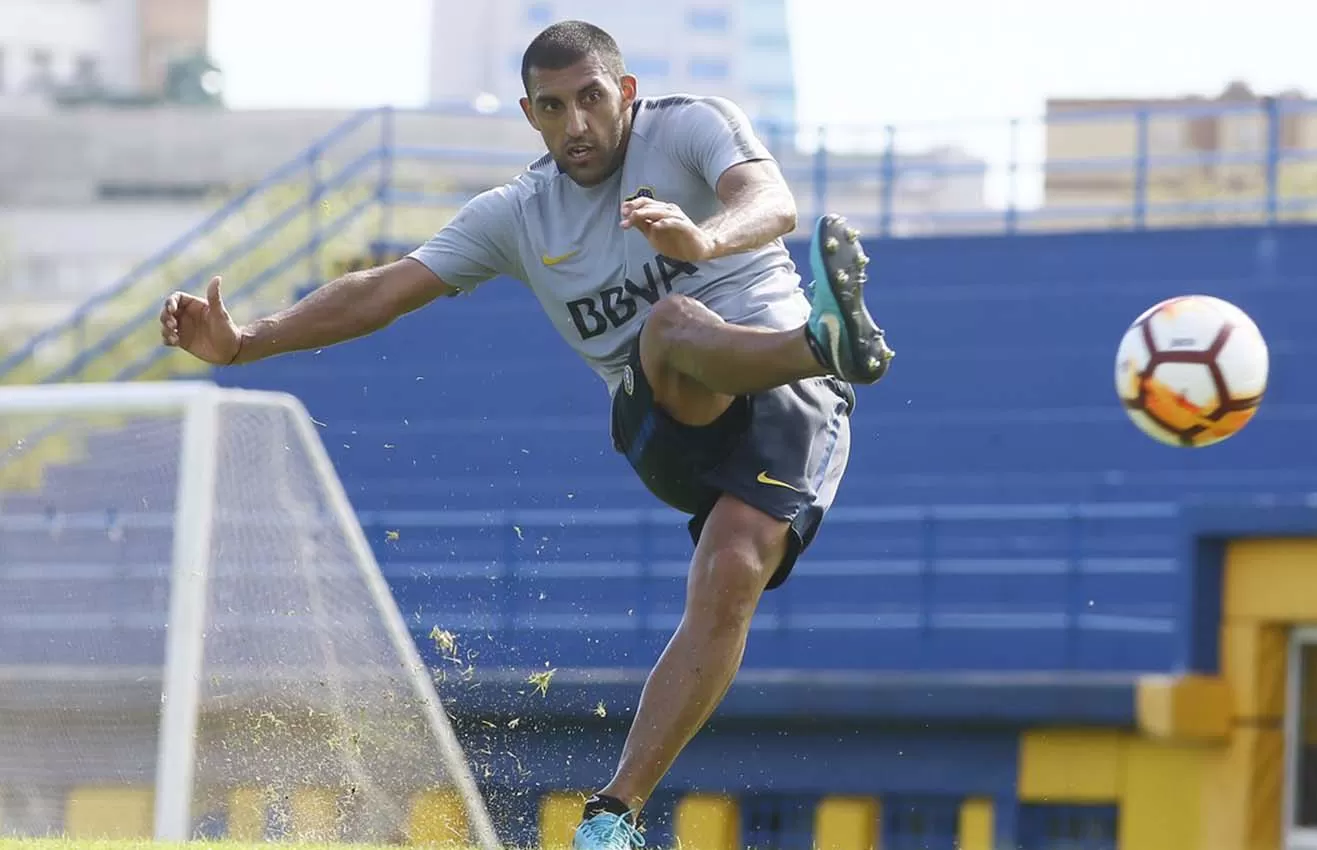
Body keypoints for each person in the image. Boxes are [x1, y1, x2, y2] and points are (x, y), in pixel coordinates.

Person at [159, 19, 894, 850]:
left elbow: (773, 201)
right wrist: (245, 340)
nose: (575, 124)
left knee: (730, 570)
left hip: (786, 397)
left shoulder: (691, 125)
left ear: (624, 93)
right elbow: (383, 289)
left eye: (590, 99)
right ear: (530, 114)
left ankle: (611, 817)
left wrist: (705, 236)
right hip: (663, 414)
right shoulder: (518, 213)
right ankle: (825, 344)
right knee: (670, 324)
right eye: (553, 108)